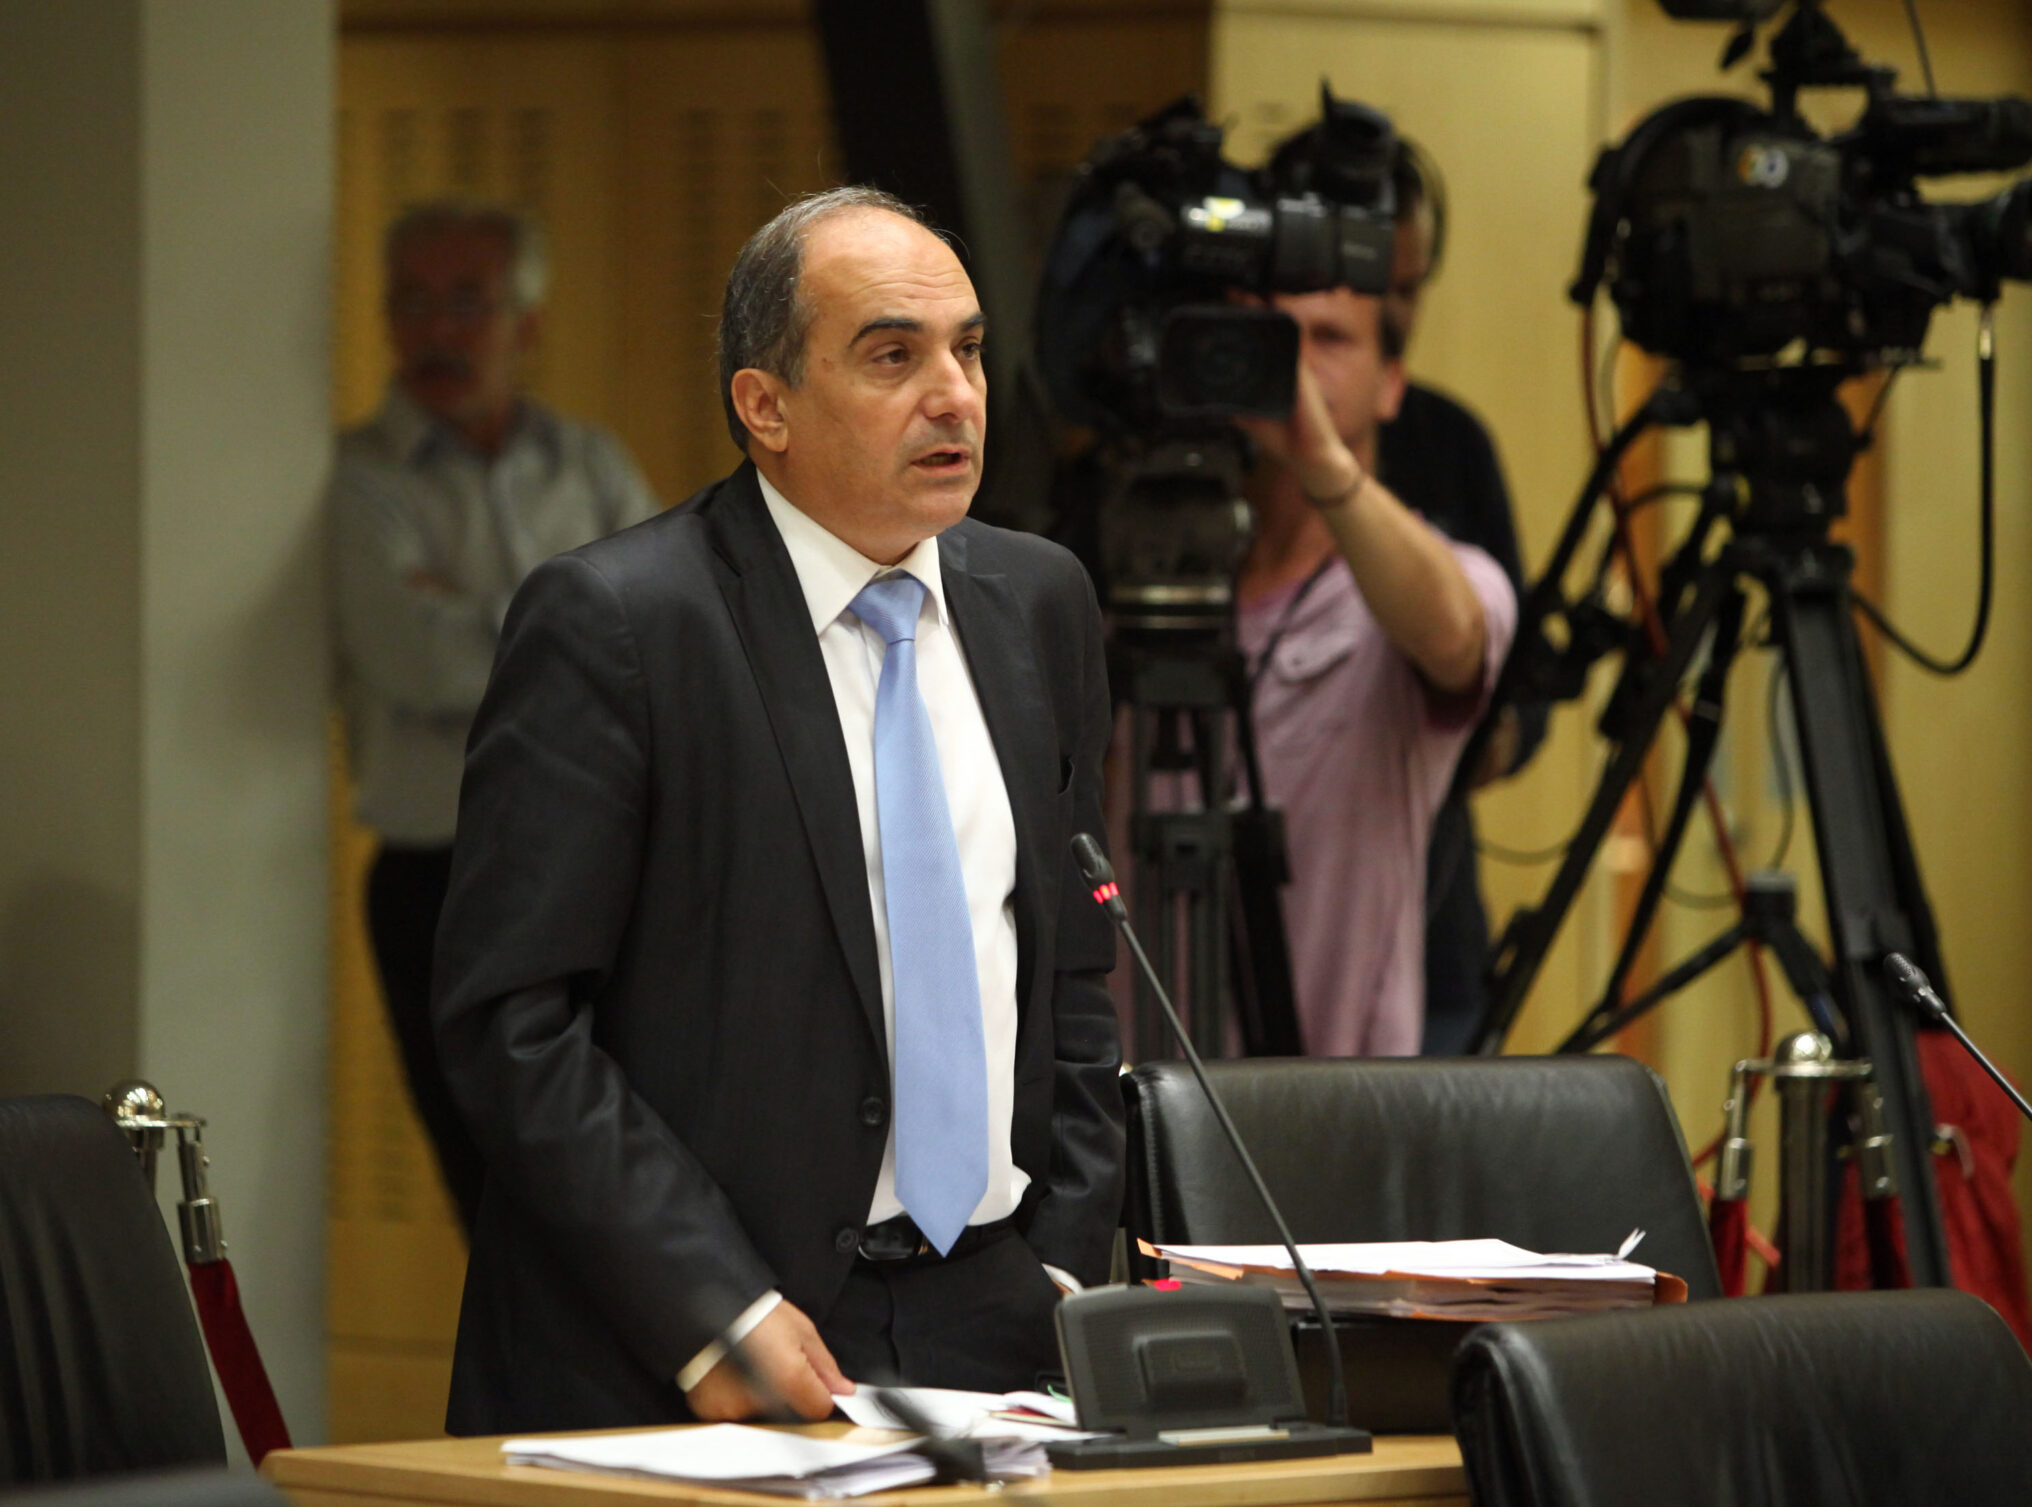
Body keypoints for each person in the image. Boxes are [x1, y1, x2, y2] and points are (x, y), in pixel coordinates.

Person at [429, 187, 1125, 1435]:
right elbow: (511, 1022)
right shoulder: (619, 624)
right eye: (892, 356)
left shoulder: (1040, 601)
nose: (954, 395)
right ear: (765, 407)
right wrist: (711, 1306)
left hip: (997, 1314)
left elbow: (1069, 968)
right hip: (701, 1332)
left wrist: (1063, 1265)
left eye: (967, 349)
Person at [327, 199, 660, 1234]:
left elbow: (664, 641)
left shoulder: (590, 464)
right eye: (412, 302)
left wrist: (479, 616)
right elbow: (420, 662)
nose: (436, 330)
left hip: (611, 873)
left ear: (528, 321)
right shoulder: (356, 481)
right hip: (444, 884)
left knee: (628, 1181)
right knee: (501, 1201)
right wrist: (577, 630)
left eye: (466, 302)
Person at [1234, 205, 1518, 1059]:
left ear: (1393, 383)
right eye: (1272, 337)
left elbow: (1454, 637)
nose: (1295, 365)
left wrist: (1321, 460)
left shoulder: (1442, 575)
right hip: (1145, 1082)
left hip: (1341, 1088)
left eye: (1329, 338)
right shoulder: (1155, 581)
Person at [1373, 137, 1548, 1056]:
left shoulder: (1449, 443)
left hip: (1434, 929)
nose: (1394, 319)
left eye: (1411, 290)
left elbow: (1525, 685)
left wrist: (1478, 727)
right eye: (1374, 290)